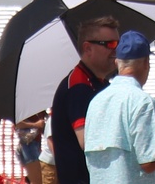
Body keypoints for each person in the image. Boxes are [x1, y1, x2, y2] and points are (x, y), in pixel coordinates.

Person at [85, 30, 155, 184]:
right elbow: (150, 162)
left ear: (117, 62)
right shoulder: (144, 103)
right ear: (146, 63)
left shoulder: (96, 102)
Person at [54, 14, 124, 184]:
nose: (116, 50)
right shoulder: (79, 85)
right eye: (110, 44)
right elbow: (87, 141)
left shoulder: (100, 83)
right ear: (88, 48)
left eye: (118, 43)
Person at [17, 114, 51, 184]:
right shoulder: (26, 111)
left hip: (34, 144)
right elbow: (17, 124)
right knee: (37, 179)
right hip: (28, 145)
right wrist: (36, 125)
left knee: (37, 177)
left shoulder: (40, 111)